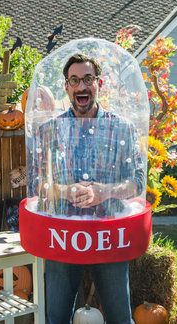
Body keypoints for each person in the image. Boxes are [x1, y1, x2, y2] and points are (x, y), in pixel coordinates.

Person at [30, 53, 145, 323]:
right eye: (75, 80)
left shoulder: (122, 128)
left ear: (99, 83)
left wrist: (104, 192)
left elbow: (137, 182)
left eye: (88, 79)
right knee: (56, 318)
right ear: (66, 87)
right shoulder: (50, 131)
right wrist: (66, 192)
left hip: (110, 235)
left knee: (120, 318)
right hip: (62, 235)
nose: (82, 86)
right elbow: (37, 184)